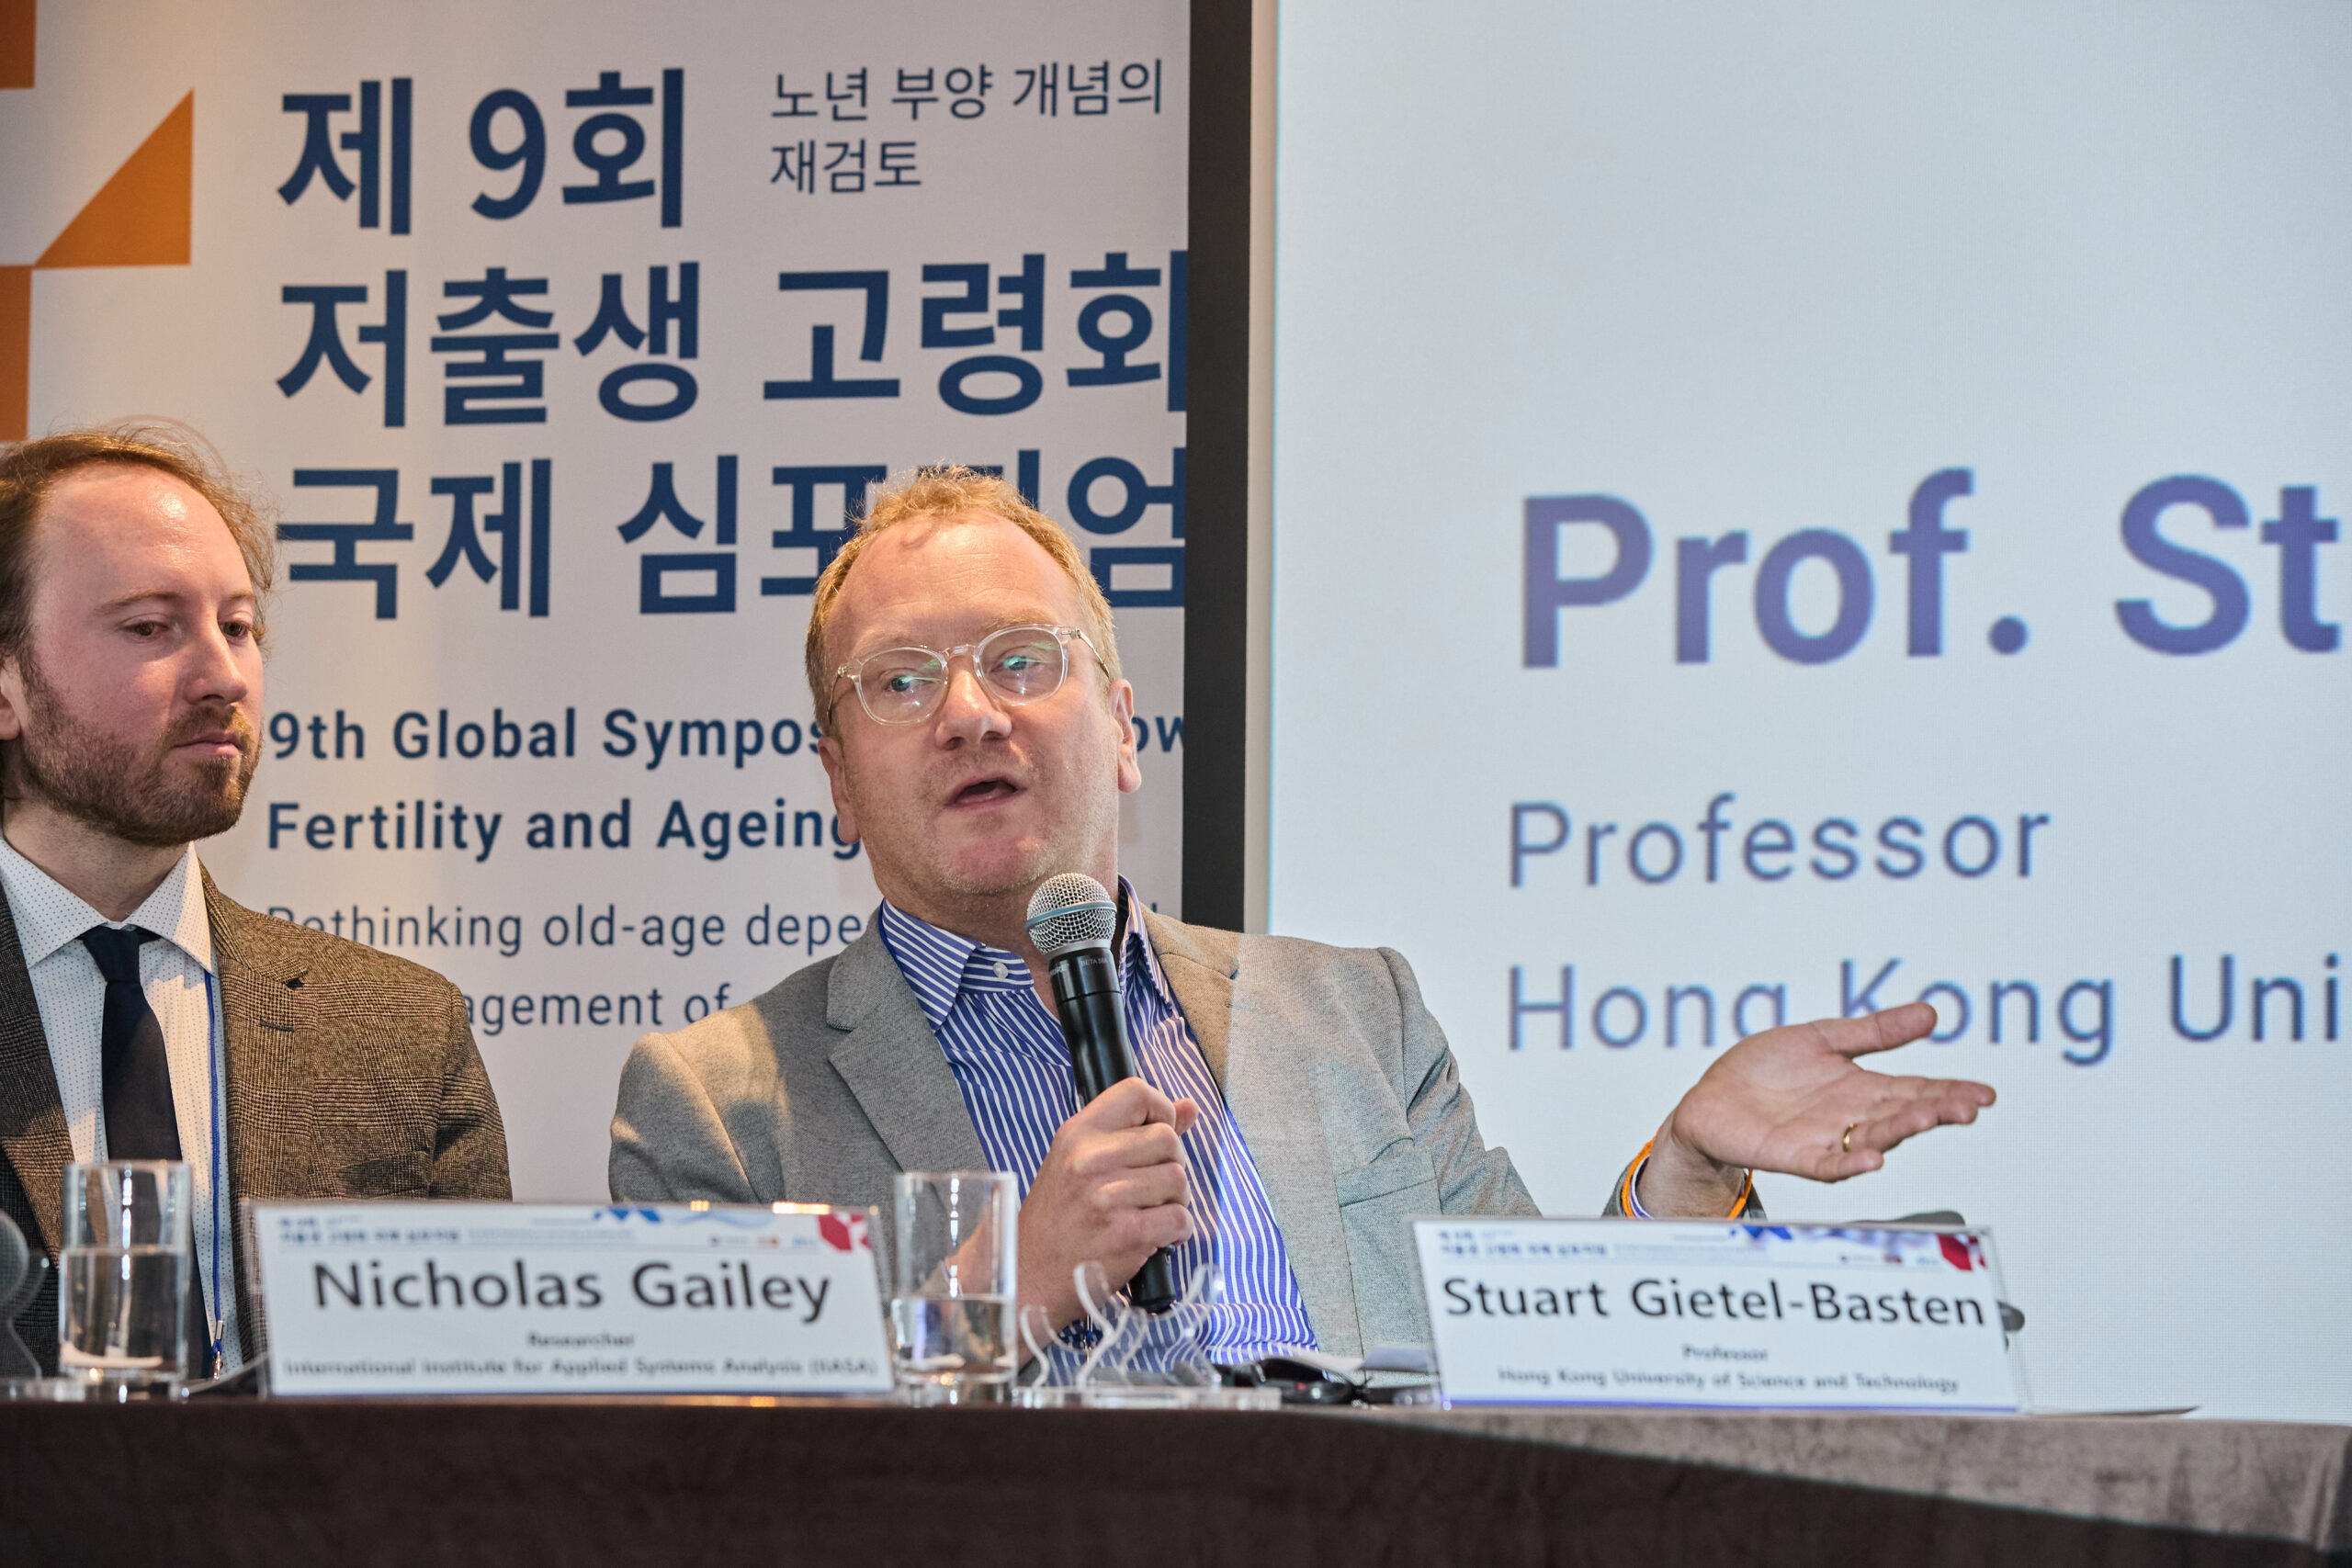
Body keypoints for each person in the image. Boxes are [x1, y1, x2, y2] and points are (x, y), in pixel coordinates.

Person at [609, 468, 1992, 1361]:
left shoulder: (1353, 1013)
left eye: (1022, 659)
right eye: (902, 681)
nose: (971, 711)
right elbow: (687, 1477)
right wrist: (1010, 1290)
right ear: (838, 780)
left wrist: (1686, 1164)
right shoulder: (718, 1104)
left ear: (1124, 727)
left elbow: (1540, 1361)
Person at [0, 424, 509, 1379]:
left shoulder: (401, 1032)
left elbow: (475, 1404)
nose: (224, 677)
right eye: (150, 628)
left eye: (237, 627)